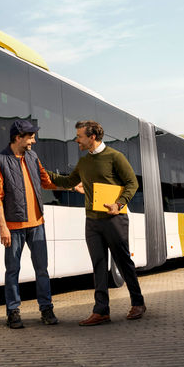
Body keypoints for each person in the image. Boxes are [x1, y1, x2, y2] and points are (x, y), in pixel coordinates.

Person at [50, 119, 145, 325]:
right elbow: (68, 182)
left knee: (123, 261)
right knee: (98, 264)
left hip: (115, 219)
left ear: (92, 137)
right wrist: (42, 173)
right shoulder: (84, 162)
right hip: (92, 221)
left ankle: (138, 303)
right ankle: (101, 311)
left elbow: (132, 183)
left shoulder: (115, 157)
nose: (76, 140)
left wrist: (119, 204)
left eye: (80, 136)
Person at [0, 118, 60, 328]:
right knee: (12, 271)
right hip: (13, 226)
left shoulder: (32, 157)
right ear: (17, 137)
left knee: (42, 269)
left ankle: (46, 309)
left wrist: (72, 186)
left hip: (37, 223)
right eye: (30, 137)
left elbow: (46, 180)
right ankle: (13, 311)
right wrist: (3, 227)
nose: (33, 141)